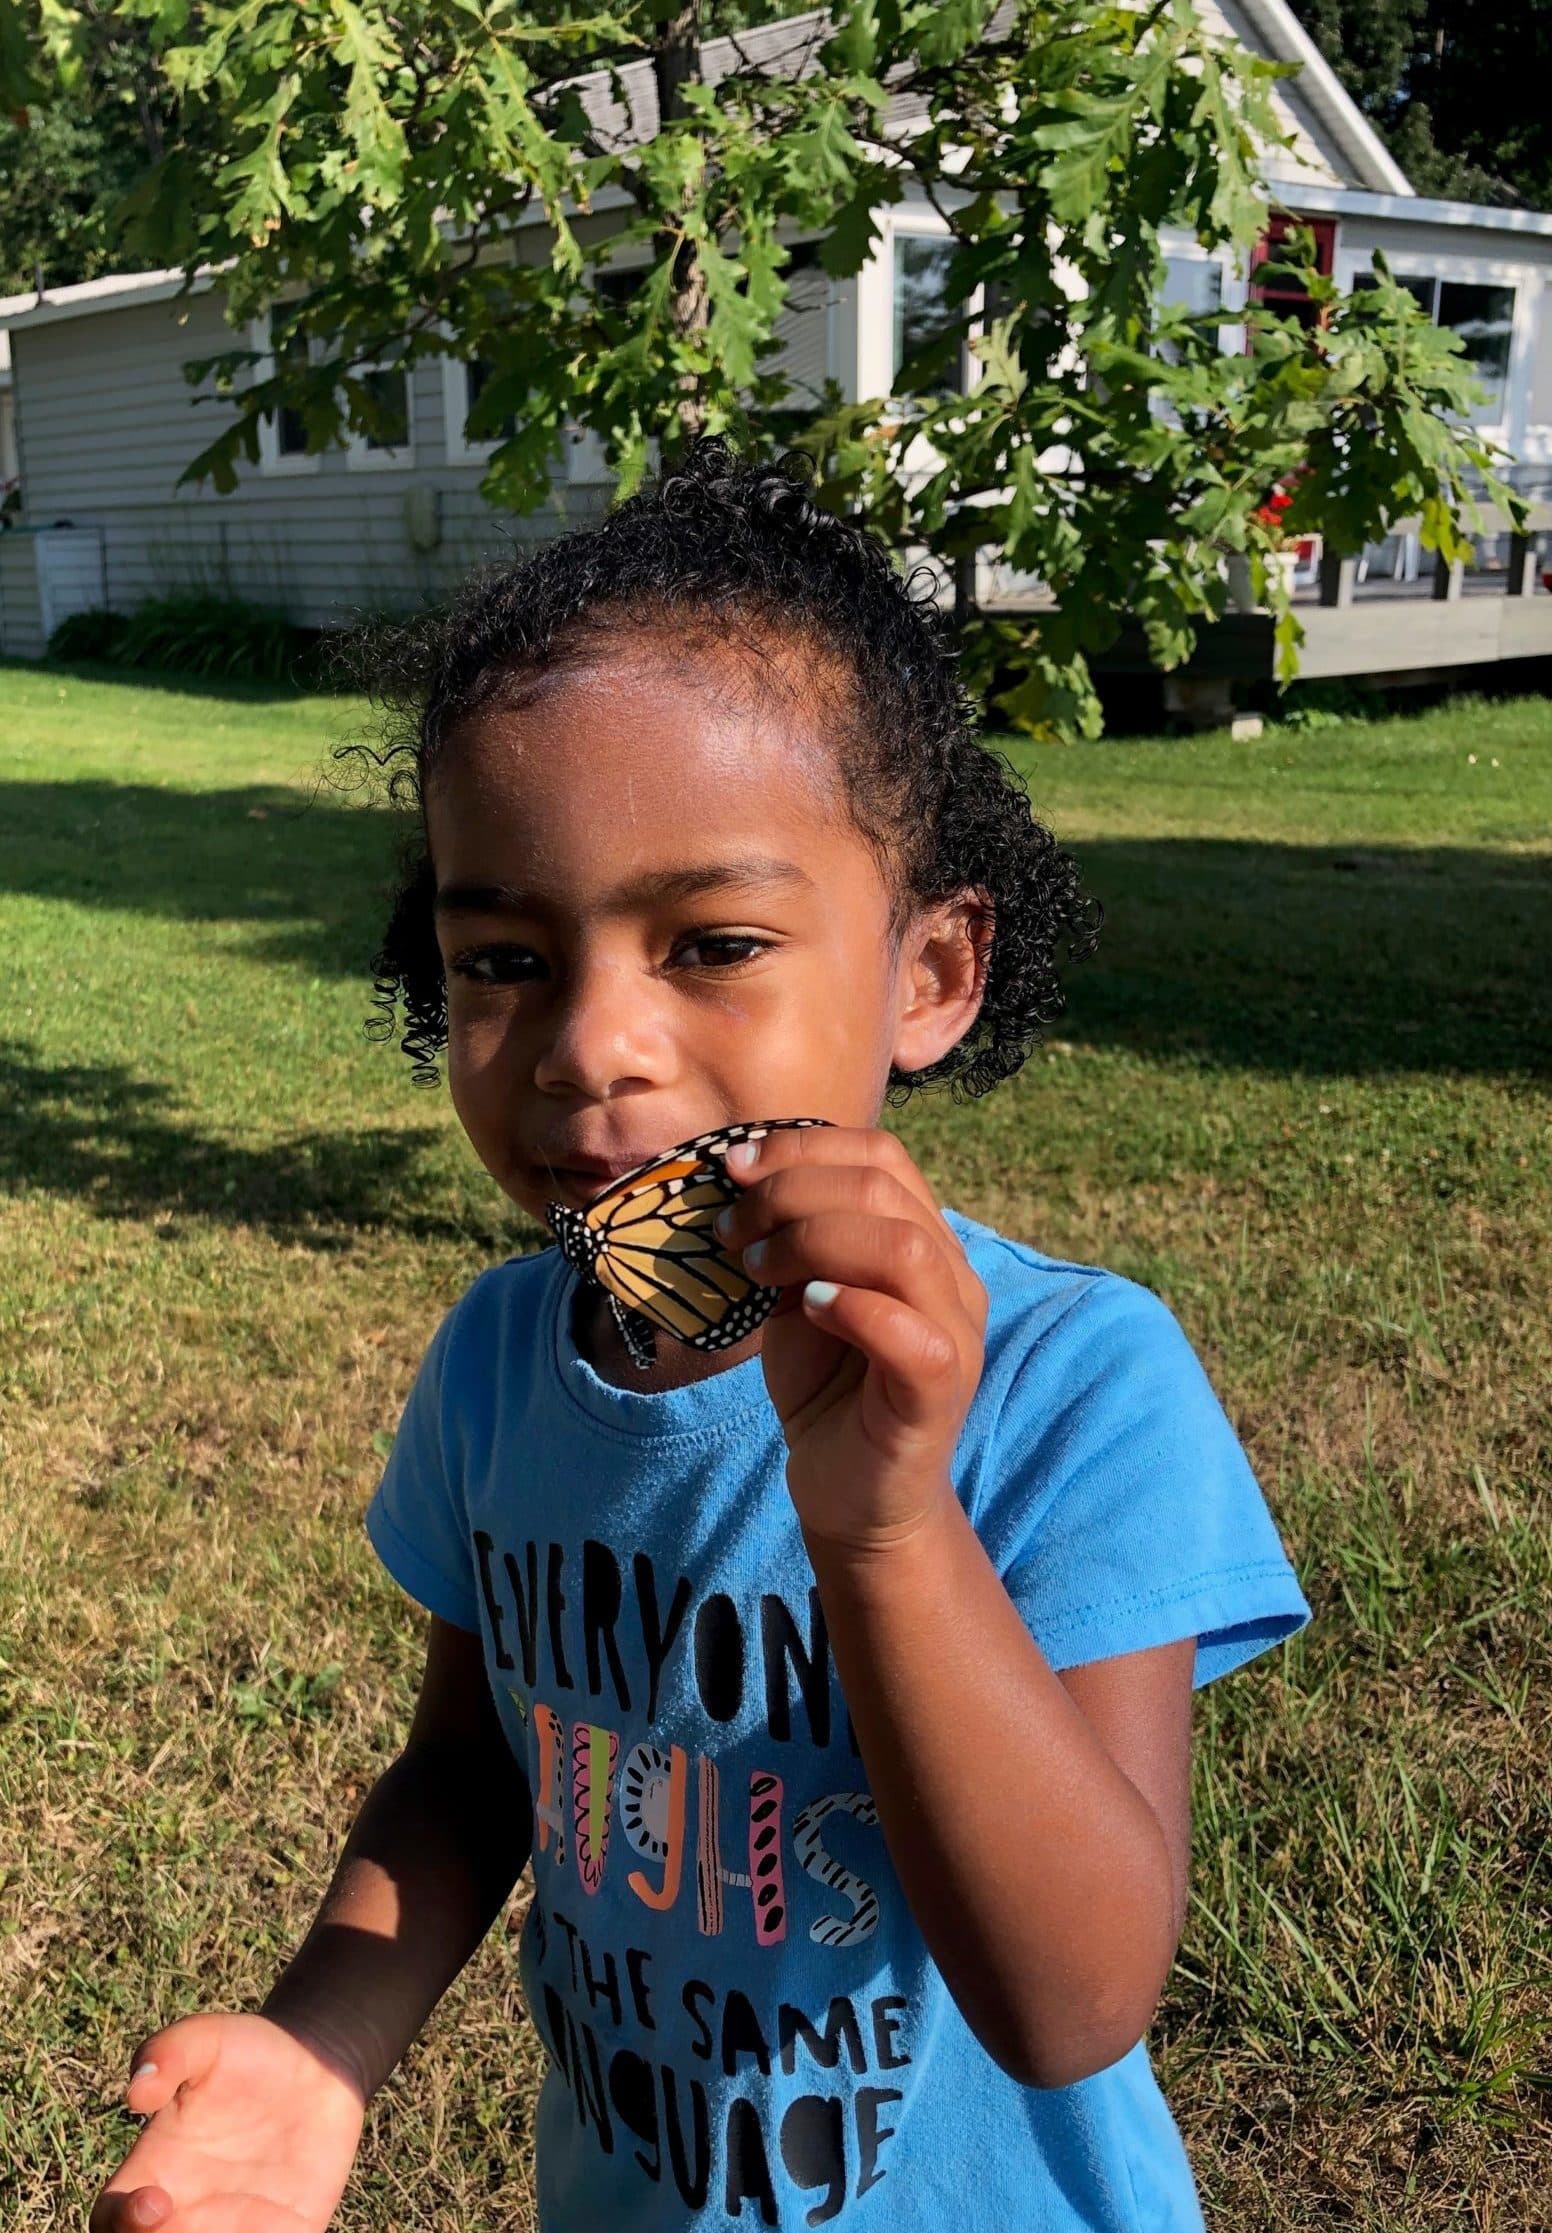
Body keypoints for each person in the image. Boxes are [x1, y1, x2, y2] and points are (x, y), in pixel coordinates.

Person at [89, 442, 1312, 2232]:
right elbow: (470, 1767)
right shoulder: (508, 1363)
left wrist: (887, 1522)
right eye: (502, 957)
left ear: (930, 976)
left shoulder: (1075, 1386)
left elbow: (1075, 2001)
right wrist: (325, 2042)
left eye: (713, 940)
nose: (591, 1046)